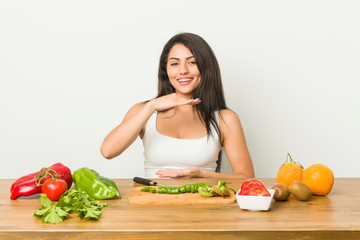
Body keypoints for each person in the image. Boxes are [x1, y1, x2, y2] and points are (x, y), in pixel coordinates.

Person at [100, 32, 255, 179]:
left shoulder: (225, 119)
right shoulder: (145, 111)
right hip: (152, 204)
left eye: (192, 62)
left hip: (204, 205)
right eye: (174, 63)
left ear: (206, 67)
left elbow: (246, 178)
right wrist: (152, 106)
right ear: (165, 70)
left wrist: (202, 174)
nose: (183, 70)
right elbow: (107, 151)